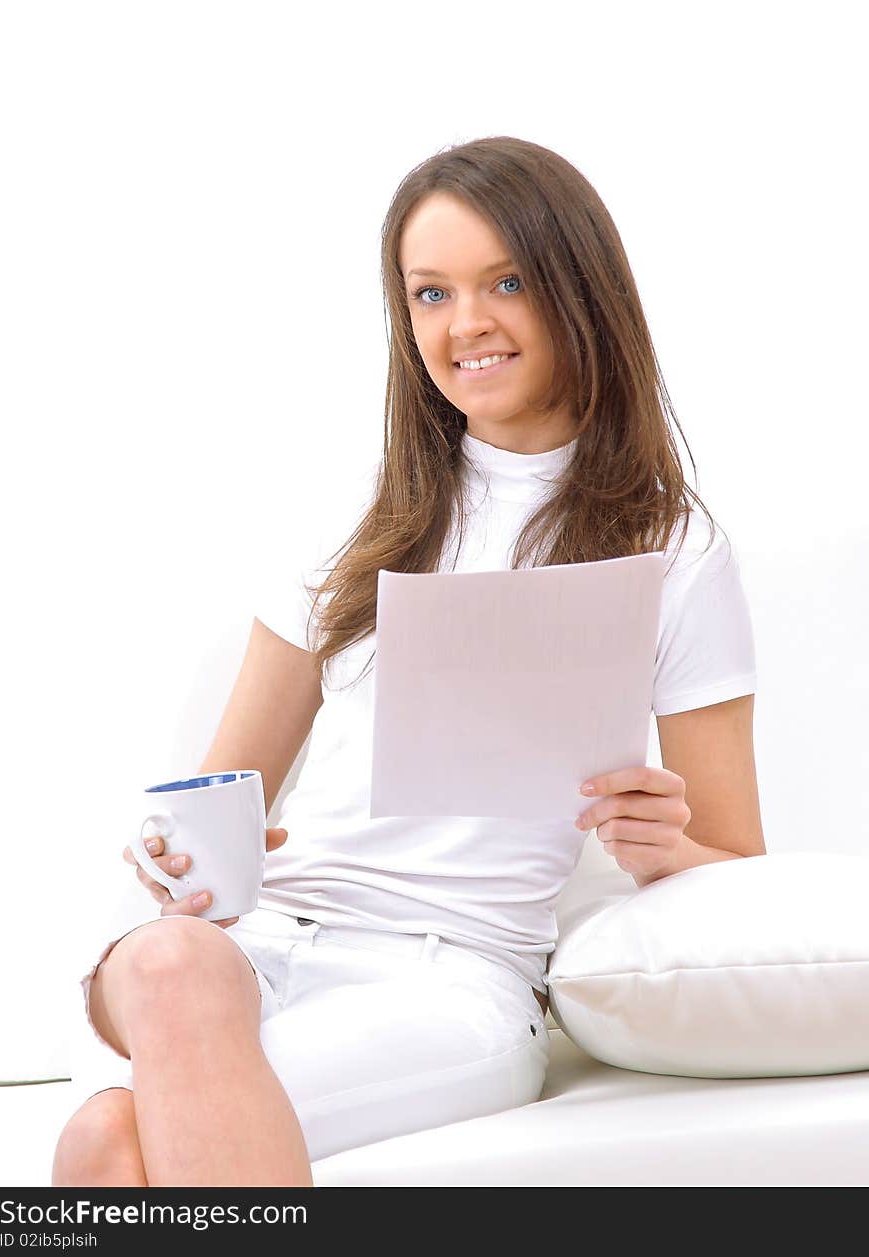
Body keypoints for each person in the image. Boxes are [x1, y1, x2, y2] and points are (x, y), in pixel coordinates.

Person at [53, 135, 765, 1188]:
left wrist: (659, 846)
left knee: (108, 1146)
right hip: (257, 943)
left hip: (450, 978)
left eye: (505, 283)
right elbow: (224, 787)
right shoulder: (357, 511)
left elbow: (739, 872)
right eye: (429, 294)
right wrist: (182, 846)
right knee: (161, 959)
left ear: (580, 293)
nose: (464, 323)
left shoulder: (673, 551)